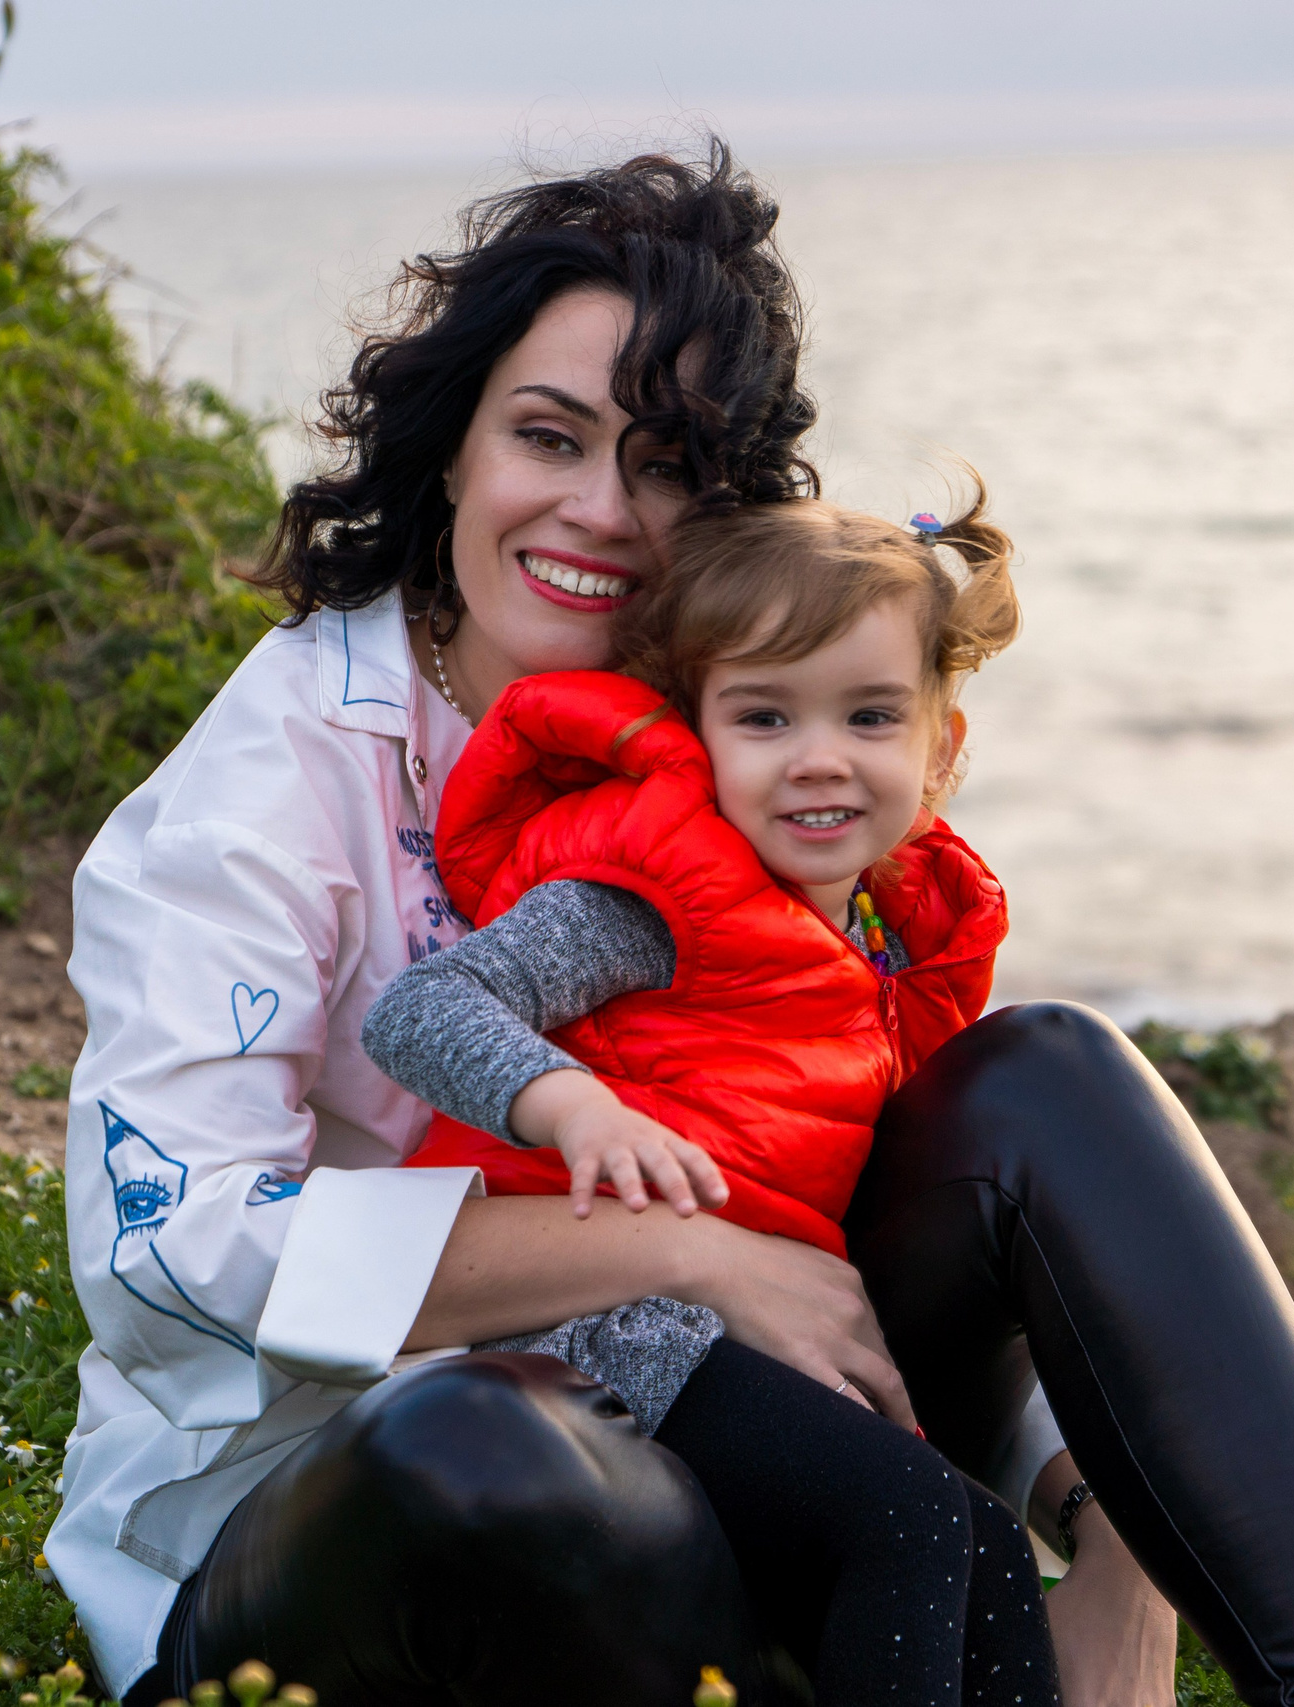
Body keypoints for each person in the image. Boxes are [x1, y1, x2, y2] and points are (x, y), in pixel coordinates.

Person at [49, 142, 1294, 1707]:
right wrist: (683, 1246)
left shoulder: (733, 747)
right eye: (548, 434)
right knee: (493, 1440)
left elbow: (818, 1155)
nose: (600, 507)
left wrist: (1116, 1519)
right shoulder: (272, 778)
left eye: (664, 463)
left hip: (699, 1448)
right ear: (451, 444)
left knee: (1038, 1074)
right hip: (334, 1536)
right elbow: (164, 1250)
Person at [358, 490, 1036, 1704]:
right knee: (913, 1525)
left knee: (981, 1543)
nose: (819, 757)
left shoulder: (882, 938)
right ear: (698, 731)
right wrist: (571, 1105)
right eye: (764, 716)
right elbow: (418, 1012)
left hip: (735, 1339)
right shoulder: (659, 892)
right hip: (577, 1340)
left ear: (940, 746)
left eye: (869, 715)